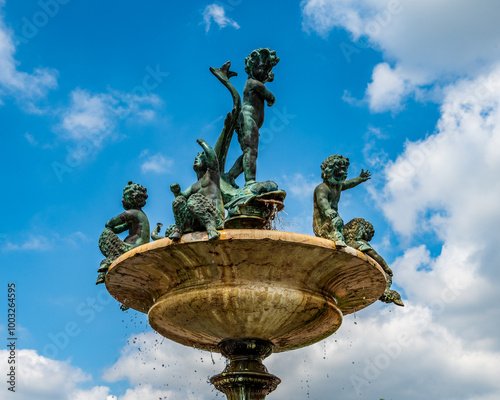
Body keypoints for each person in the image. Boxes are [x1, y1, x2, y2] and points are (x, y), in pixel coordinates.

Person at [225, 48, 280, 186]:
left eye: (267, 70)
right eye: (262, 68)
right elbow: (271, 98)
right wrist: (270, 97)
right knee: (251, 151)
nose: (265, 73)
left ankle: (230, 175)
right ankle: (250, 182)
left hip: (252, 122)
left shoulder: (256, 83)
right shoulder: (253, 83)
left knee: (250, 152)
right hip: (247, 118)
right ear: (251, 68)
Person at [167, 138, 224, 241]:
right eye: (195, 158)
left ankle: (211, 228)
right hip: (198, 220)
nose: (196, 159)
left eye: (200, 158)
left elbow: (213, 157)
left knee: (194, 199)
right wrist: (176, 191)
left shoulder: (212, 175)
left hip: (215, 217)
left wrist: (203, 143)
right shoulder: (194, 186)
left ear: (207, 161)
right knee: (178, 201)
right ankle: (180, 228)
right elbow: (181, 197)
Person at [97, 181, 150, 284]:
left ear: (131, 198)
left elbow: (111, 222)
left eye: (124, 197)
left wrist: (109, 227)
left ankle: (112, 258)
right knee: (109, 231)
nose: (122, 200)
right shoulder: (138, 216)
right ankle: (108, 264)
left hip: (132, 248)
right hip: (135, 247)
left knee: (106, 233)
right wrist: (113, 228)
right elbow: (118, 229)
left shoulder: (134, 213)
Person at [313, 155, 370, 245]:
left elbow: (349, 184)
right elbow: (322, 200)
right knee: (337, 221)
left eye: (345, 170)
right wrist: (327, 210)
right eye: (341, 170)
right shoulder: (322, 188)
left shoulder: (338, 186)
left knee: (345, 225)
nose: (344, 173)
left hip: (334, 220)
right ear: (330, 170)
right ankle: (338, 241)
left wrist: (359, 179)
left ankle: (345, 240)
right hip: (323, 224)